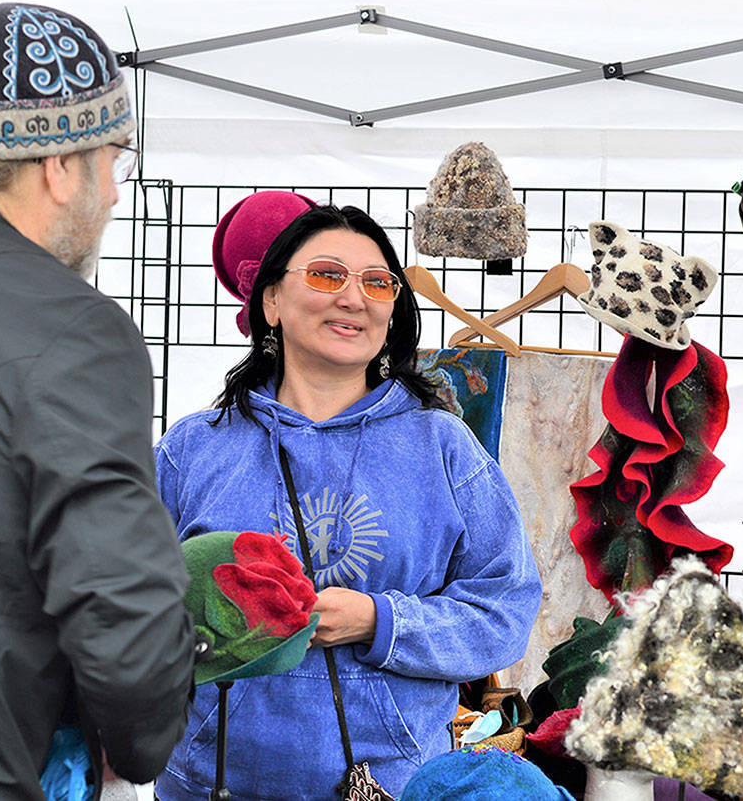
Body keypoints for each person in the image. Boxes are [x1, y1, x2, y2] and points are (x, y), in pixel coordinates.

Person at [0, 3, 196, 797]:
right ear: (59, 166)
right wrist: (143, 739)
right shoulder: (72, 332)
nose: (117, 195)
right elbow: (126, 624)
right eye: (115, 158)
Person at [154, 202, 542, 800]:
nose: (353, 297)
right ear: (270, 302)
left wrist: (378, 620)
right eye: (326, 274)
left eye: (377, 282)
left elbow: (504, 613)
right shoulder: (195, 449)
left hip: (391, 784)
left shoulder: (442, 446)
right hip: (212, 782)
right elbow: (125, 607)